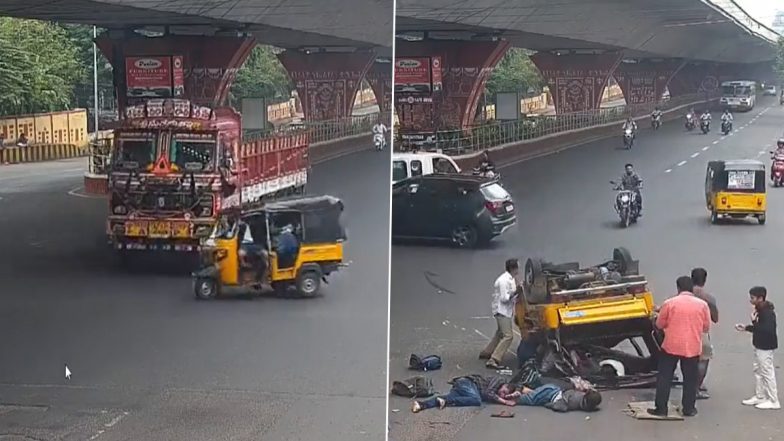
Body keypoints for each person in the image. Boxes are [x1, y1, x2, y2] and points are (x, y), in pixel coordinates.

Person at [648, 276, 711, 417]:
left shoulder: (670, 303)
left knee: (664, 377)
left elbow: (659, 324)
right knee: (690, 379)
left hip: (671, 346)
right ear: (692, 289)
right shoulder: (702, 305)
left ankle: (661, 409)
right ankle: (689, 409)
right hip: (692, 347)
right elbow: (706, 327)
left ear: (678, 288)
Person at [735, 286, 779, 410]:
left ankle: (773, 399)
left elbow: (767, 330)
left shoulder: (767, 313)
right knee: (758, 371)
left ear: (760, 298)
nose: (750, 300)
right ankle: (760, 396)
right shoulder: (760, 310)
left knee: (766, 372)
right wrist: (747, 327)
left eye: (753, 298)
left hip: (765, 346)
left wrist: (753, 323)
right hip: (760, 345)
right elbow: (761, 328)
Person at [479, 258, 522, 369]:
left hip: (505, 311)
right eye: (518, 267)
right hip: (501, 311)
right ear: (513, 268)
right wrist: (515, 292)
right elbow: (504, 299)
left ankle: (487, 352)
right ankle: (494, 359)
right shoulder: (503, 281)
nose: (519, 269)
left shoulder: (511, 279)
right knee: (508, 336)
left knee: (499, 333)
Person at [411, 374, 517, 412]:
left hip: (467, 389)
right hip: (468, 383)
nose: (501, 394)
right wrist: (504, 401)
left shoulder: (500, 391)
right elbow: (488, 392)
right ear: (504, 385)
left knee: (445, 398)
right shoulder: (499, 381)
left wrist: (510, 396)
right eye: (503, 391)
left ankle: (422, 404)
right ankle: (446, 400)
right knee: (476, 400)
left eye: (504, 395)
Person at [691, 268, 719, 400]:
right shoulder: (708, 298)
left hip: (683, 331)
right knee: (703, 360)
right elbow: (715, 318)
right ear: (705, 280)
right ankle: (696, 388)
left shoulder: (683, 294)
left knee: (687, 360)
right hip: (701, 332)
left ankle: (690, 385)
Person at [515, 384, 602, 412]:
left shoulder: (574, 399)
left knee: (531, 399)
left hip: (553, 394)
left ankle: (513, 397)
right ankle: (519, 391)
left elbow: (561, 406)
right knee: (535, 395)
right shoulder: (582, 403)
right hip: (555, 393)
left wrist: (549, 405)